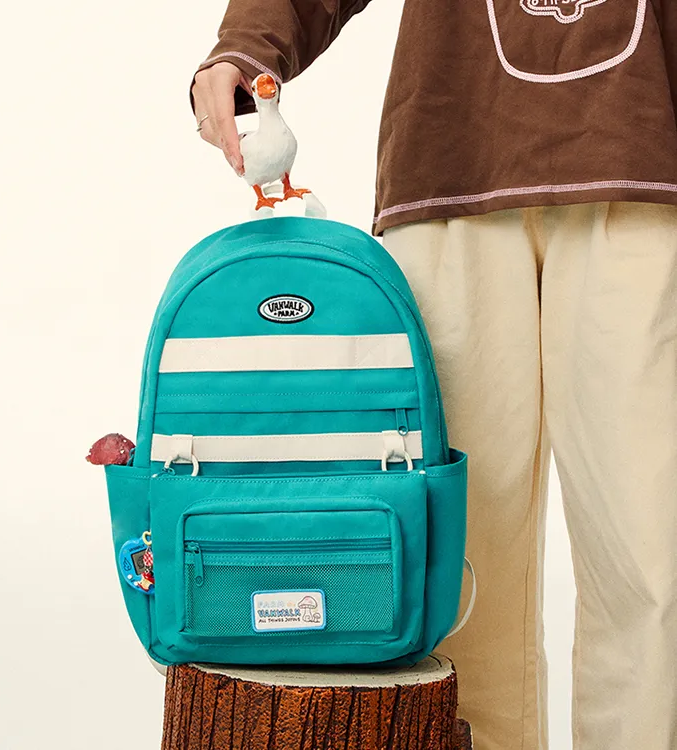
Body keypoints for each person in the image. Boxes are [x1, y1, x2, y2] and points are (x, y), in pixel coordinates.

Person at [189, 3, 677, 749]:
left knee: (649, 546)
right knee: (458, 557)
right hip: (454, 156)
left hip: (641, 158)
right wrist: (247, 46)